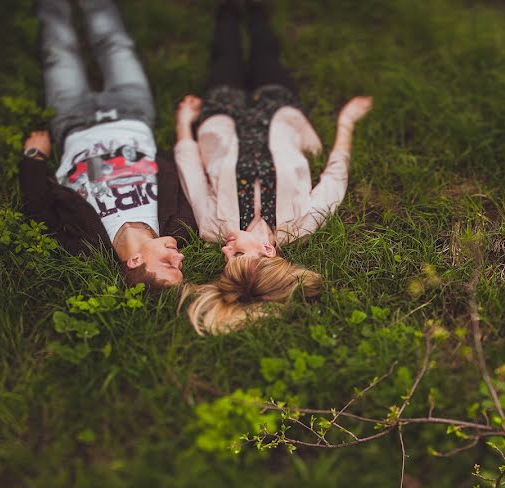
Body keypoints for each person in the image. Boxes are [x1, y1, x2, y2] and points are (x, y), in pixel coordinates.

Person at [174, 1, 373, 334]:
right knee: (266, 52)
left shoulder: (213, 228)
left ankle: (227, 8)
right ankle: (256, 10)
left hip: (221, 119)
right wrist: (347, 121)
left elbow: (191, 173)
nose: (224, 249)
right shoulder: (301, 224)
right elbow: (335, 177)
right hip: (278, 113)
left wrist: (184, 122)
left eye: (225, 258)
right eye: (234, 254)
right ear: (267, 251)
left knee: (226, 54)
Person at [20, 0, 196, 290]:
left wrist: (34, 158)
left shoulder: (87, 245)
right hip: (132, 114)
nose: (179, 257)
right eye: (180, 267)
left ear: (135, 261)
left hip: (73, 122)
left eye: (168, 264)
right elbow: (183, 176)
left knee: (59, 55)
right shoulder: (180, 227)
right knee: (117, 45)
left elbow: (39, 212)